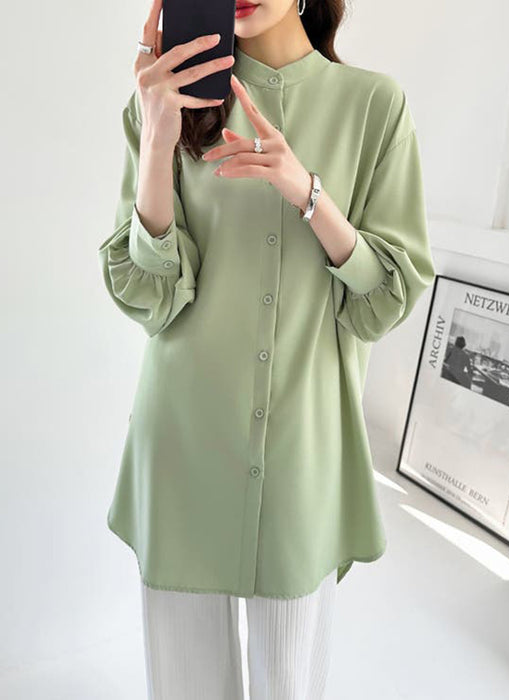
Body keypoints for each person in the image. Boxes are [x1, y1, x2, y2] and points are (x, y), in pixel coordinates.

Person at [97, 0, 436, 696]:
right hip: (183, 444)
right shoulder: (164, 100)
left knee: (291, 682)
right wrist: (157, 140)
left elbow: (386, 298)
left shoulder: (374, 106)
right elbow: (150, 296)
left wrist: (308, 195)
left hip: (300, 451)